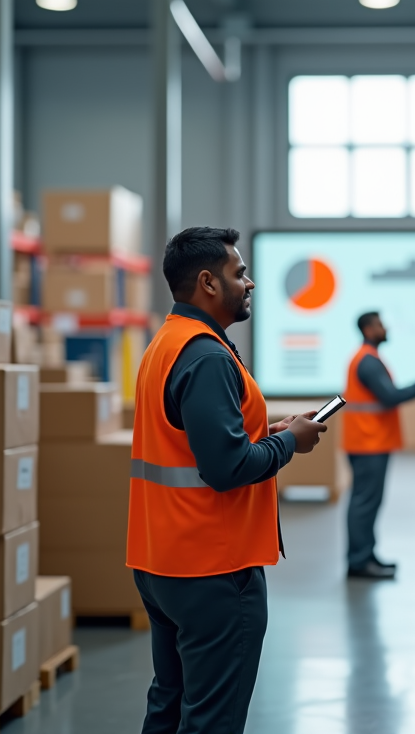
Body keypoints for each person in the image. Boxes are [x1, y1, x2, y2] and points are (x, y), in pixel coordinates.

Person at [126, 227, 328, 734]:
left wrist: (267, 433)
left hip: (161, 558)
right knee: (212, 718)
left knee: (169, 707)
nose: (250, 283)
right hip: (212, 567)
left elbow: (199, 442)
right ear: (207, 283)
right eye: (239, 273)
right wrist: (291, 443)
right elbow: (227, 469)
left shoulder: (166, 344)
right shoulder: (208, 356)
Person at [342, 311, 415, 579]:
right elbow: (389, 397)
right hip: (368, 442)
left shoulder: (367, 358)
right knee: (364, 503)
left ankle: (366, 555)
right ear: (368, 329)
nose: (385, 329)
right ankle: (360, 562)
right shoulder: (368, 362)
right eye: (380, 325)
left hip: (368, 441)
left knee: (368, 502)